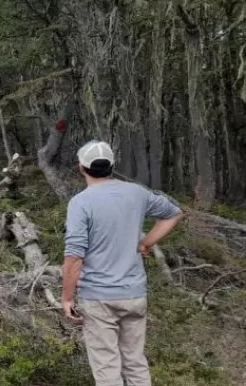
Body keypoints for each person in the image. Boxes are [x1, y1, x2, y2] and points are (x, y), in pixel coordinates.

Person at [61, 140, 183, 386]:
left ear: (81, 168)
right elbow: (173, 213)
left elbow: (74, 256)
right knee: (135, 363)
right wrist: (146, 243)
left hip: (98, 298)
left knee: (107, 369)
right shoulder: (136, 193)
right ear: (112, 166)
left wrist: (67, 298)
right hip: (134, 294)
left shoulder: (81, 202)